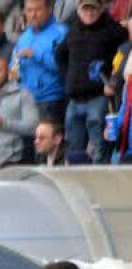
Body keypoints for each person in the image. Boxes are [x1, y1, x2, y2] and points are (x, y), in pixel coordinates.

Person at [55, 0, 125, 164]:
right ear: (79, 9)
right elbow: (60, 55)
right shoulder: (73, 29)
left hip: (98, 98)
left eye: (93, 8)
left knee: (99, 149)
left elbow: (124, 56)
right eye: (85, 8)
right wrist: (69, 76)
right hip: (74, 100)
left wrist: (112, 80)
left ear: (101, 9)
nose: (89, 12)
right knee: (73, 151)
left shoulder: (113, 30)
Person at [12, 0, 68, 124]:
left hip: (52, 100)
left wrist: (36, 55)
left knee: (49, 142)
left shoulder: (61, 32)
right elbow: (13, 66)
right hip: (26, 100)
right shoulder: (23, 37)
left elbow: (63, 66)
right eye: (29, 10)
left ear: (49, 10)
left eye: (38, 10)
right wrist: (13, 72)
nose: (33, 14)